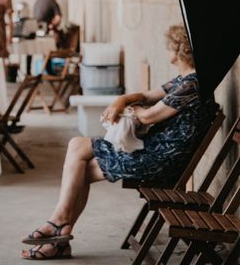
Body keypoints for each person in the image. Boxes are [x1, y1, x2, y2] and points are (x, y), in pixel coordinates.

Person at [20, 25, 217, 260]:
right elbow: (145, 96)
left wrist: (127, 108)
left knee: (77, 153)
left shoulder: (192, 85)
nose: (166, 50)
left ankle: (59, 226)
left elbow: (147, 115)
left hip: (159, 160)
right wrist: (122, 100)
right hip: (153, 150)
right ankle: (60, 232)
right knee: (78, 159)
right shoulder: (183, 81)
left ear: (178, 50)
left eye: (169, 46)